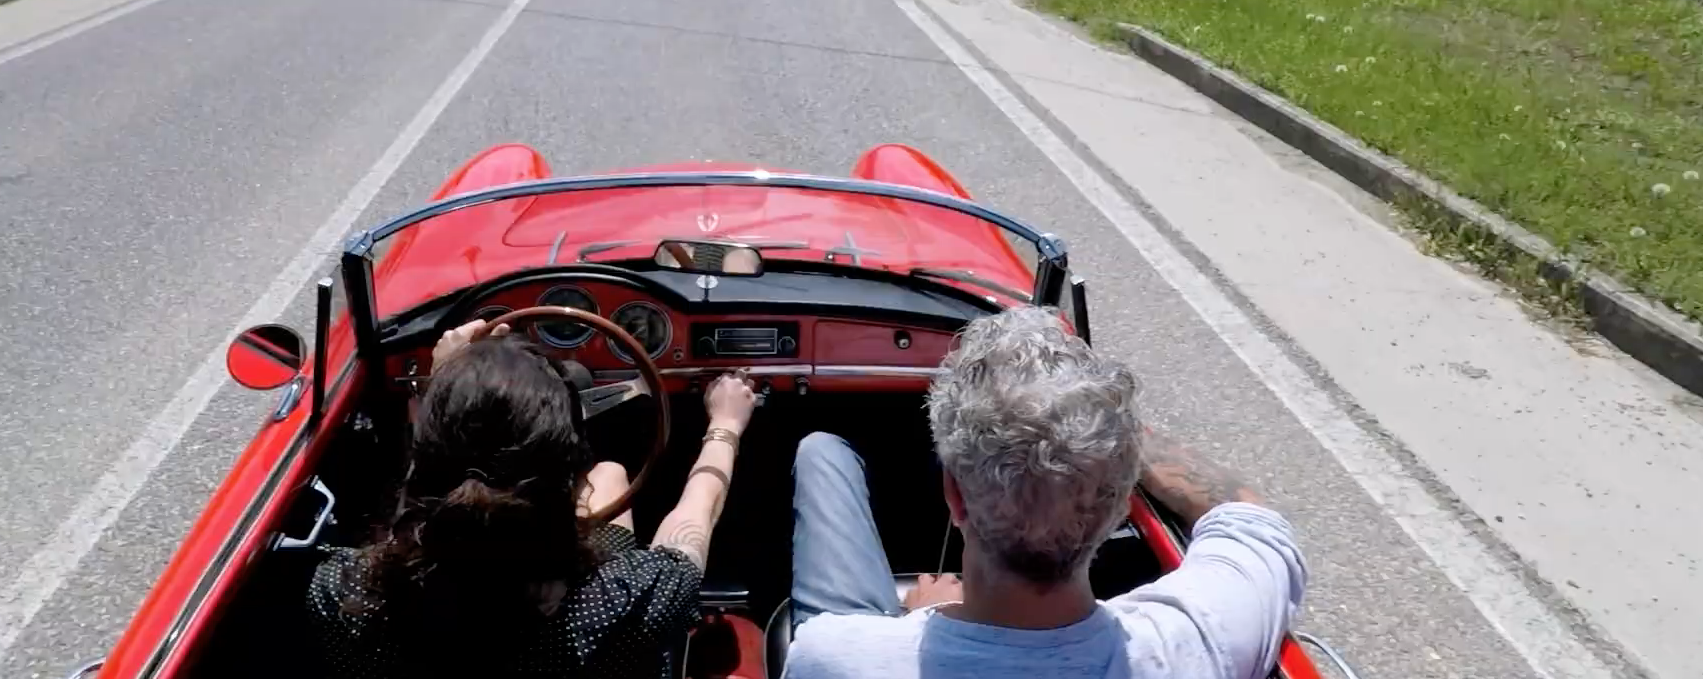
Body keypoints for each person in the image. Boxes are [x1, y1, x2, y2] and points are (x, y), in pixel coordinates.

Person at [784, 306, 1306, 679]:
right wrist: (1101, 435)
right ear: (1121, 502)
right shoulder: (1196, 642)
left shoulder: (832, 656)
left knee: (821, 452)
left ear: (954, 495)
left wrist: (919, 618)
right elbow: (1246, 515)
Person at [303, 319, 758, 679]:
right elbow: (696, 514)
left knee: (610, 476)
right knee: (611, 474)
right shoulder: (626, 600)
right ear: (567, 465)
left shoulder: (343, 591)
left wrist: (446, 384)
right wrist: (726, 423)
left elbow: (424, 482)